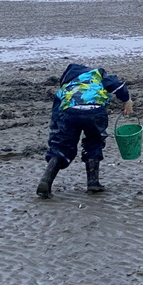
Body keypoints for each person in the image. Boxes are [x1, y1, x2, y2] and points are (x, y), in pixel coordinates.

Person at [37, 63, 134, 198]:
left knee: (61, 146)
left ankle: (46, 180)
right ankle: (93, 182)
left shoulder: (66, 88)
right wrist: (127, 100)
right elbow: (117, 85)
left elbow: (56, 114)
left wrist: (55, 134)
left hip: (69, 113)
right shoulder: (97, 75)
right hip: (95, 112)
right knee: (94, 142)